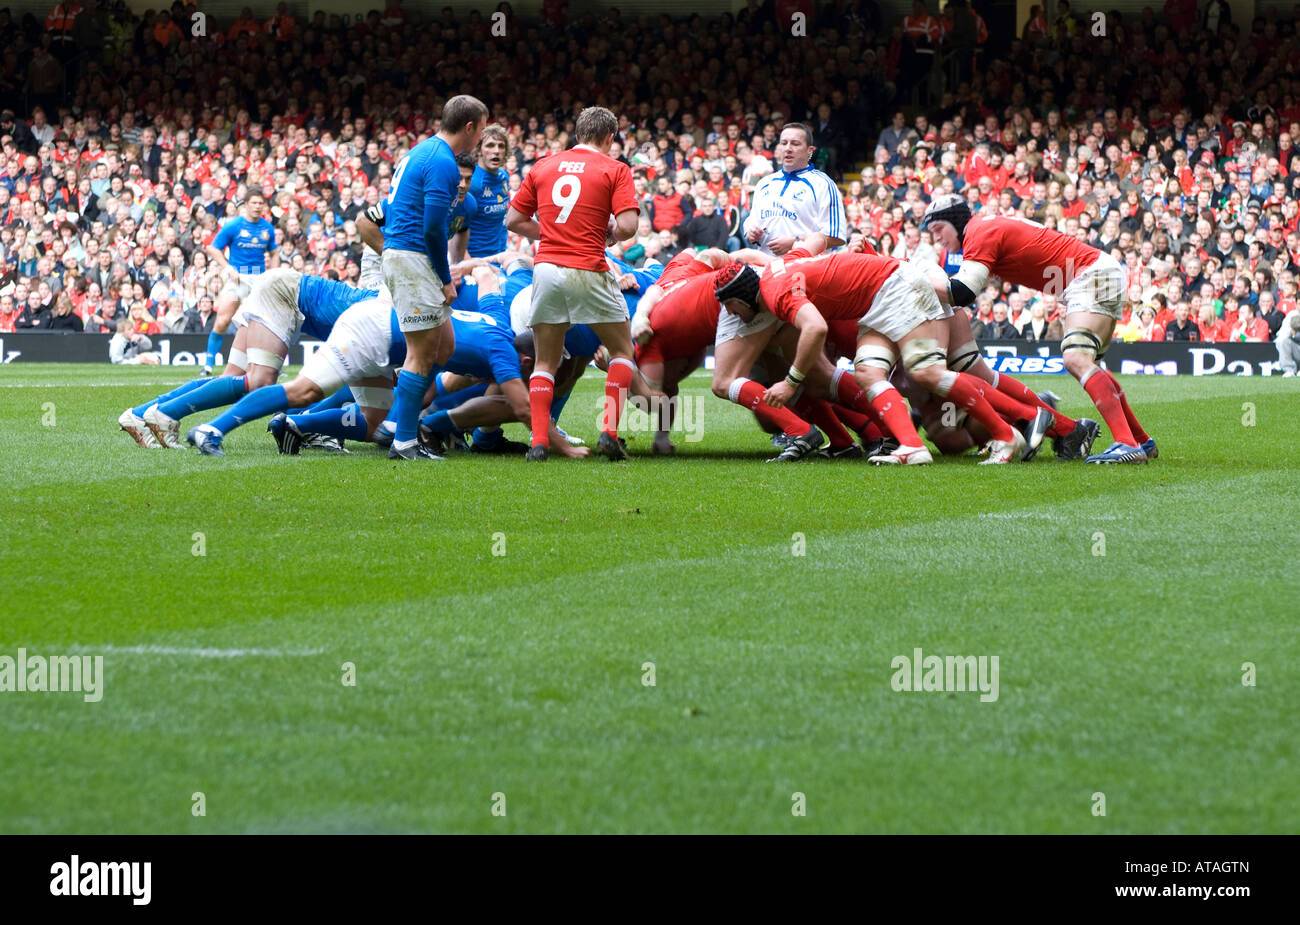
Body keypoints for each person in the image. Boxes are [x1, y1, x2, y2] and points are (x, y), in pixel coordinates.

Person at [921, 195, 1151, 464]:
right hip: (1093, 273)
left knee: (1076, 359)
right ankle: (1141, 441)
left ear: (956, 221)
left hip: (1088, 275)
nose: (936, 238)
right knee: (1088, 363)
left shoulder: (978, 231)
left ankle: (1126, 443)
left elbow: (962, 292)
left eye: (938, 229)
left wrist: (914, 277)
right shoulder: (985, 227)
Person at [505, 106, 640, 462]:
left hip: (547, 268)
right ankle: (609, 432)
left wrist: (549, 232)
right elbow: (627, 226)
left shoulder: (543, 166)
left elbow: (514, 219)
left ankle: (538, 442)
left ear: (577, 134)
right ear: (610, 138)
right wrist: (607, 233)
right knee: (623, 351)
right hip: (588, 266)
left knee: (545, 363)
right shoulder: (615, 169)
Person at [379, 94, 487, 461]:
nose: (481, 139)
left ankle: (404, 408)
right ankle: (404, 439)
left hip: (405, 255)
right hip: (413, 259)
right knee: (421, 354)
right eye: (482, 130)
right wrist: (445, 278)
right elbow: (432, 229)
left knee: (445, 348)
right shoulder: (443, 162)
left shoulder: (421, 151)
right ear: (469, 127)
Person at [742, 124, 846, 257]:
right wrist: (751, 233)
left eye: (795, 144)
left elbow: (836, 237)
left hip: (805, 270)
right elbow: (752, 222)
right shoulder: (764, 183)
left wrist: (795, 243)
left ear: (810, 151)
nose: (788, 149)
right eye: (784, 143)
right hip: (766, 269)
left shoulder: (824, 184)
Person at [202, 191, 277, 374]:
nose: (258, 206)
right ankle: (208, 365)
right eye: (254, 202)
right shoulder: (234, 225)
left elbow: (274, 252)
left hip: (260, 279)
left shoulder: (267, 228)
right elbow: (212, 248)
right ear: (246, 205)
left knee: (267, 323)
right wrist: (227, 267)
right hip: (239, 278)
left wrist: (273, 273)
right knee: (224, 318)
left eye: (261, 203)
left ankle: (271, 363)